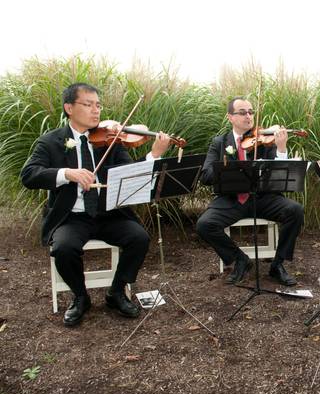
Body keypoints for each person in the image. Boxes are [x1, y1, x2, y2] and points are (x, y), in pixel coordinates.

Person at [21, 83, 171, 327]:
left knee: (139, 238)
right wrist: (66, 173)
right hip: (72, 216)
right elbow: (29, 175)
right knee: (64, 248)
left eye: (98, 105)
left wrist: (154, 154)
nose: (96, 111)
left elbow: (131, 173)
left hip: (108, 213)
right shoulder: (51, 141)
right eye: (88, 105)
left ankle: (116, 291)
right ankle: (80, 296)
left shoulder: (111, 140)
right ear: (69, 108)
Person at [196, 97, 304, 286]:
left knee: (295, 210)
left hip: (263, 198)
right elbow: (205, 175)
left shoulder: (266, 140)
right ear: (230, 117)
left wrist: (281, 148)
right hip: (232, 199)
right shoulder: (220, 142)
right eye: (243, 112)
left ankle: (277, 265)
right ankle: (240, 259)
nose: (248, 116)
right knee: (204, 224)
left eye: (251, 112)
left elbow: (279, 177)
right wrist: (228, 168)